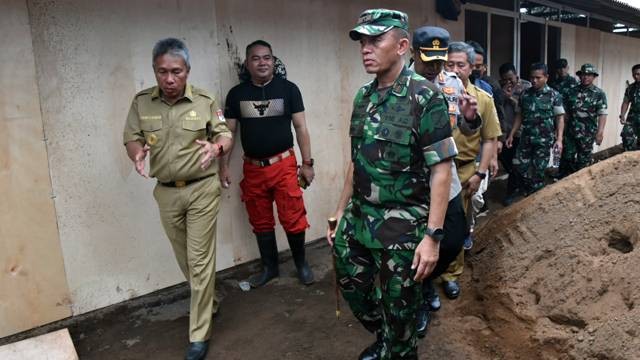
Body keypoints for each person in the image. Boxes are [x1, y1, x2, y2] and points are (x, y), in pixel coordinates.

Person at [327, 9, 457, 359]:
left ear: (401, 46)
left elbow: (441, 170)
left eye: (375, 40)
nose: (366, 48)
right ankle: (387, 338)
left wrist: (432, 237)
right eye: (362, 41)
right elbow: (357, 161)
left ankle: (397, 346)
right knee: (356, 288)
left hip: (403, 228)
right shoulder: (363, 97)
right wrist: (340, 211)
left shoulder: (425, 97)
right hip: (360, 218)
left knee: (401, 312)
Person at [123, 38, 232, 360]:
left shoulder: (205, 99)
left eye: (176, 72)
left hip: (202, 189)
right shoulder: (142, 102)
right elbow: (131, 136)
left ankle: (199, 333)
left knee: (199, 260)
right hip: (167, 193)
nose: (169, 79)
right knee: (184, 257)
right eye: (162, 72)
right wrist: (136, 153)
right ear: (154, 71)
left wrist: (216, 148)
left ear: (187, 71)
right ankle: (210, 300)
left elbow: (224, 133)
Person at [220, 40, 315, 287]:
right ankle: (270, 268)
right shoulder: (236, 95)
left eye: (267, 58)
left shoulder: (289, 89)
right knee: (260, 219)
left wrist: (307, 163)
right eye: (256, 58)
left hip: (284, 165)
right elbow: (228, 134)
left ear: (274, 62)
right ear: (247, 64)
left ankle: (301, 265)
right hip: (252, 168)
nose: (262, 62)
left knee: (292, 216)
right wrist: (223, 166)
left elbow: (301, 127)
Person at [410, 25, 478, 337]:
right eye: (429, 60)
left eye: (441, 60)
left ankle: (423, 283)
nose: (437, 67)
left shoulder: (452, 83)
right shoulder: (401, 84)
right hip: (411, 181)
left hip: (444, 175)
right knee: (415, 243)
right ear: (413, 54)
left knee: (454, 236)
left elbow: (463, 130)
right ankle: (417, 299)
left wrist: (469, 117)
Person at [439, 41, 501, 301]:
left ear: (471, 68)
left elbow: (489, 139)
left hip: (463, 172)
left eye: (460, 65)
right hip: (431, 172)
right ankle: (424, 281)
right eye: (449, 64)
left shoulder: (483, 100)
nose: (454, 69)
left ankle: (451, 275)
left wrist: (480, 173)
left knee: (456, 227)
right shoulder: (430, 94)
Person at [506, 63, 564, 194]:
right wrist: (511, 134)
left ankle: (535, 196)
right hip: (526, 138)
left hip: (543, 141)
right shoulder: (525, 94)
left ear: (546, 77)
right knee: (517, 165)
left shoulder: (554, 95)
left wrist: (559, 139)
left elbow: (560, 118)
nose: (534, 80)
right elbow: (519, 115)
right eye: (532, 77)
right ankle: (527, 190)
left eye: (538, 77)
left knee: (538, 171)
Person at [559, 63, 607, 177]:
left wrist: (600, 133)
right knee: (567, 158)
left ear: (594, 77)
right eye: (583, 75)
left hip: (587, 134)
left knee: (583, 161)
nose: (586, 77)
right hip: (570, 132)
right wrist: (560, 133)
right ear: (580, 76)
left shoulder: (599, 94)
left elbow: (602, 114)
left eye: (589, 75)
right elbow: (564, 113)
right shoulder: (571, 91)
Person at [497, 79, 520, 204]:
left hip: (517, 135)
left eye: (511, 79)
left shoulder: (524, 90)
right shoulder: (497, 93)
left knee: (515, 165)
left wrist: (511, 99)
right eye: (506, 78)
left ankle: (512, 191)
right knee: (507, 162)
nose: (509, 83)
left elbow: (521, 111)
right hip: (502, 136)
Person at [619, 64, 640, 151]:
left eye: (638, 74)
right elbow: (626, 102)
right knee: (626, 135)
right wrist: (622, 115)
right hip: (632, 118)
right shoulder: (630, 88)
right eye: (634, 74)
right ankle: (628, 156)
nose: (636, 76)